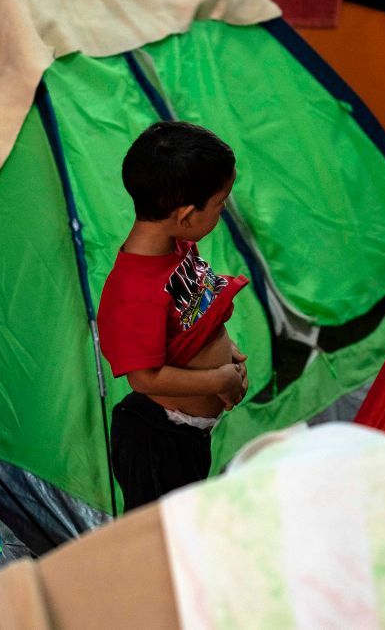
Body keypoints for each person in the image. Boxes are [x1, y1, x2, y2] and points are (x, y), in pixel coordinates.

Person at [97, 121, 251, 512]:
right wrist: (218, 378)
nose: (223, 210)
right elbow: (144, 376)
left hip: (187, 435)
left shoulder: (179, 248)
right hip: (156, 443)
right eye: (220, 203)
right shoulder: (135, 291)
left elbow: (194, 315)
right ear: (186, 214)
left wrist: (227, 353)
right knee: (162, 540)